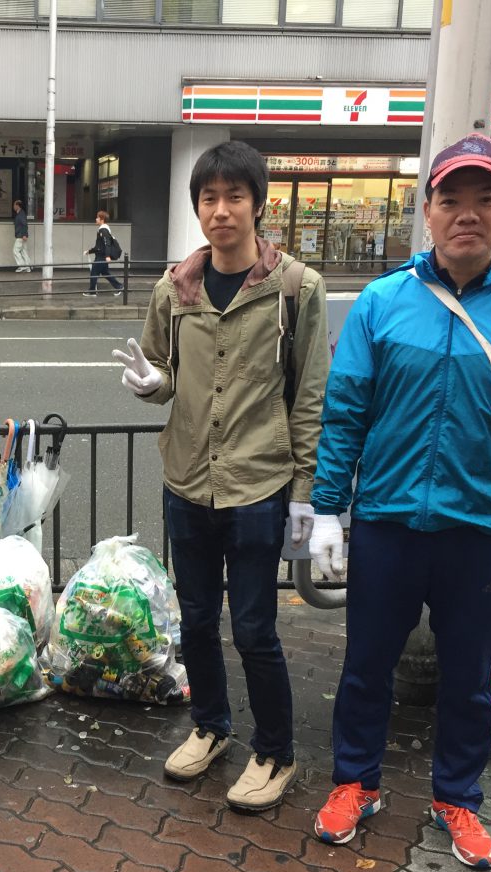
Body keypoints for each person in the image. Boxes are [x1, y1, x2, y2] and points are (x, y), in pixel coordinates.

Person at [309, 134, 491, 870]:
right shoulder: (382, 302)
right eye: (450, 199)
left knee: (468, 678)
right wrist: (328, 509)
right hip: (388, 523)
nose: (467, 213)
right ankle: (355, 783)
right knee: (366, 666)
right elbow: (346, 411)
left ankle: (457, 797)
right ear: (425, 211)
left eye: (483, 198)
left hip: (482, 528)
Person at [111, 141, 330, 811]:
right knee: (198, 619)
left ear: (258, 205)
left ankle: (275, 751)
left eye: (236, 196)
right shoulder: (173, 289)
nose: (222, 210)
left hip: (259, 487)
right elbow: (161, 371)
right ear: (198, 208)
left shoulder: (296, 288)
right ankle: (210, 725)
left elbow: (310, 397)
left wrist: (306, 496)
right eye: (209, 198)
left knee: (256, 628)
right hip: (187, 482)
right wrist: (151, 384)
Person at [82, 210, 124, 296]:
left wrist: (107, 256)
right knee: (105, 273)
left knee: (94, 273)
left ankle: (92, 291)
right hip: (102, 255)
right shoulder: (103, 229)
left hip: (101, 256)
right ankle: (119, 286)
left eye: (97, 217)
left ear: (102, 219)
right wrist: (89, 251)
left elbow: (107, 244)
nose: (96, 219)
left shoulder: (103, 230)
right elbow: (98, 246)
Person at [12, 199, 32, 272]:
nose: (13, 206)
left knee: (15, 251)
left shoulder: (21, 214)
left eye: (14, 205)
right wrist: (25, 235)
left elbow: (24, 224)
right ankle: (28, 267)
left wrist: (24, 234)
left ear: (17, 205)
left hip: (20, 236)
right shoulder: (21, 213)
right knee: (23, 251)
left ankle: (22, 266)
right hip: (22, 235)